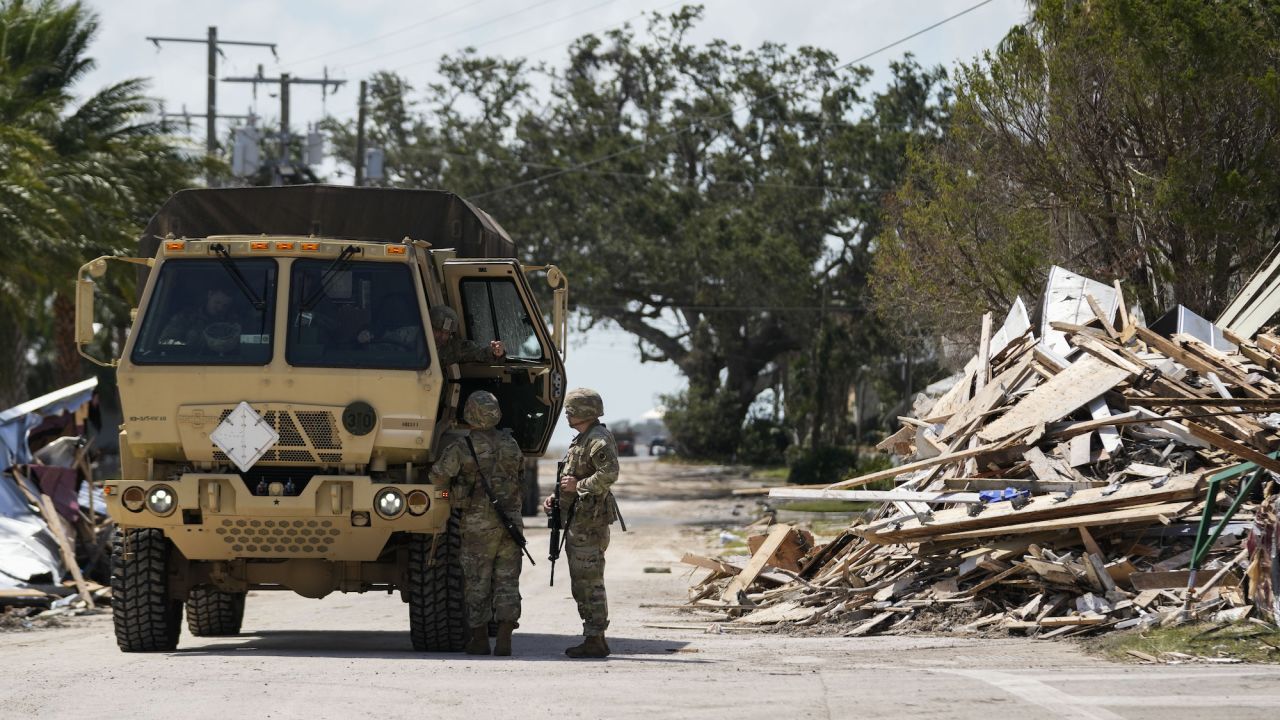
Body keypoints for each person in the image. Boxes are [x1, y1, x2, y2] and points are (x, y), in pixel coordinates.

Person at [428, 391, 525, 656]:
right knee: (507, 580)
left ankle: (480, 640)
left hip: (477, 526)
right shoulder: (511, 444)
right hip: (511, 526)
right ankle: (505, 639)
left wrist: (450, 494)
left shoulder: (462, 447)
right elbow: (519, 477)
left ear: (469, 414)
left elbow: (437, 477)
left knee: (477, 581)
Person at [543, 387, 620, 658]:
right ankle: (593, 636)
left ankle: (595, 639)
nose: (566, 414)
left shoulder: (598, 439)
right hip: (579, 521)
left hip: (590, 523)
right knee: (582, 581)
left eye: (570, 409)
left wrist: (578, 486)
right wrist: (557, 496)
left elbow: (609, 474)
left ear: (583, 412)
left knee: (589, 582)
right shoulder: (582, 440)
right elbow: (573, 475)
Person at [159, 287, 237, 350]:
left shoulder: (233, 323)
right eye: (217, 302)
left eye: (225, 306)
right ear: (209, 295)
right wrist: (187, 347)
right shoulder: (186, 316)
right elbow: (165, 342)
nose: (220, 308)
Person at [429, 306, 506, 365]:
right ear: (428, 327)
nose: (442, 337)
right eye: (438, 330)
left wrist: (495, 352)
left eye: (447, 333)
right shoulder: (417, 344)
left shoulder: (452, 347)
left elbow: (477, 352)